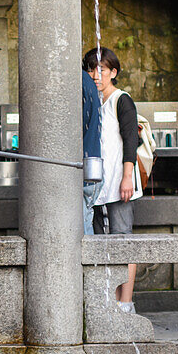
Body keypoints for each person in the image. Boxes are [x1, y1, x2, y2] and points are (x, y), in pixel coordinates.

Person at [83, 47, 140, 313]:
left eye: (101, 69)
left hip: (120, 180)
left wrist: (127, 177)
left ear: (113, 72)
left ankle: (126, 302)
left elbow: (131, 141)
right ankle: (107, 302)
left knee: (123, 238)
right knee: (98, 240)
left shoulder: (121, 99)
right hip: (95, 184)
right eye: (91, 69)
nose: (96, 75)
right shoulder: (90, 101)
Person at [82, 67, 102, 237]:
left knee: (79, 235)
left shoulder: (73, 82)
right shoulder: (88, 83)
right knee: (85, 228)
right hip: (92, 170)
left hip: (78, 172)